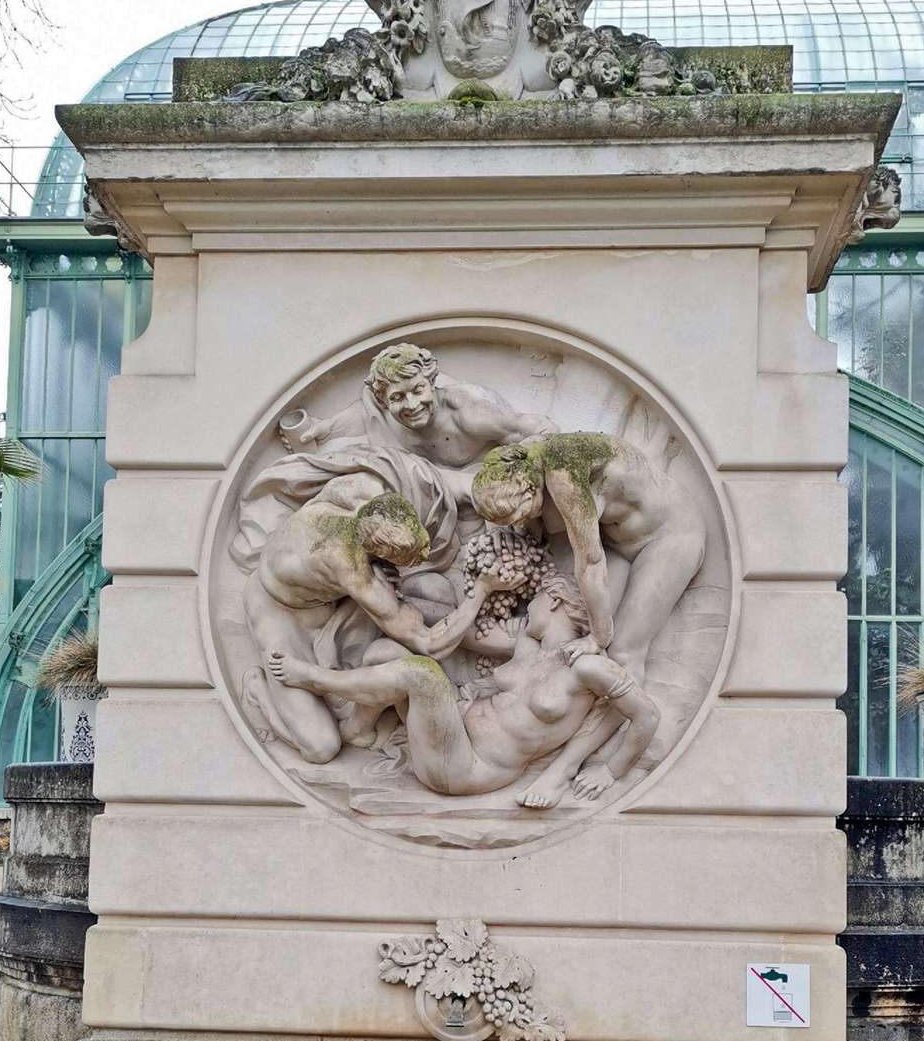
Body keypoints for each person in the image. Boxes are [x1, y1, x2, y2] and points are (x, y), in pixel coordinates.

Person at [267, 577, 659, 809]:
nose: (528, 609)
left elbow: (646, 715)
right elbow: (459, 634)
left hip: (468, 768)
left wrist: (611, 771)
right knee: (383, 651)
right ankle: (359, 729)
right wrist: (391, 600)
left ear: (553, 601)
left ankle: (313, 678)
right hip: (450, 728)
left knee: (421, 676)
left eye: (535, 600)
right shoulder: (528, 646)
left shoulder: (588, 668)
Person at [242, 474, 509, 765]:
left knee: (406, 626)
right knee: (321, 747)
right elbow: (429, 644)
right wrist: (482, 590)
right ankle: (258, 690)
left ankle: (357, 725)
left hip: (331, 601)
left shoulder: (362, 488)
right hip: (281, 615)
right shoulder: (353, 571)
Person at [470, 432, 704, 673]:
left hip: (668, 537)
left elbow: (590, 562)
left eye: (522, 515)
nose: (520, 523)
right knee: (578, 633)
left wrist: (598, 638)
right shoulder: (523, 461)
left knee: (622, 652)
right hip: (618, 547)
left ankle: (634, 696)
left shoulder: (562, 475)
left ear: (527, 487)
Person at [280, 343, 542, 476]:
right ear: (384, 401)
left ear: (432, 382)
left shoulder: (470, 411)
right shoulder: (383, 409)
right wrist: (326, 428)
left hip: (484, 482)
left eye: (418, 391)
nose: (412, 405)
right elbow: (365, 412)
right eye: (398, 397)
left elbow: (538, 431)